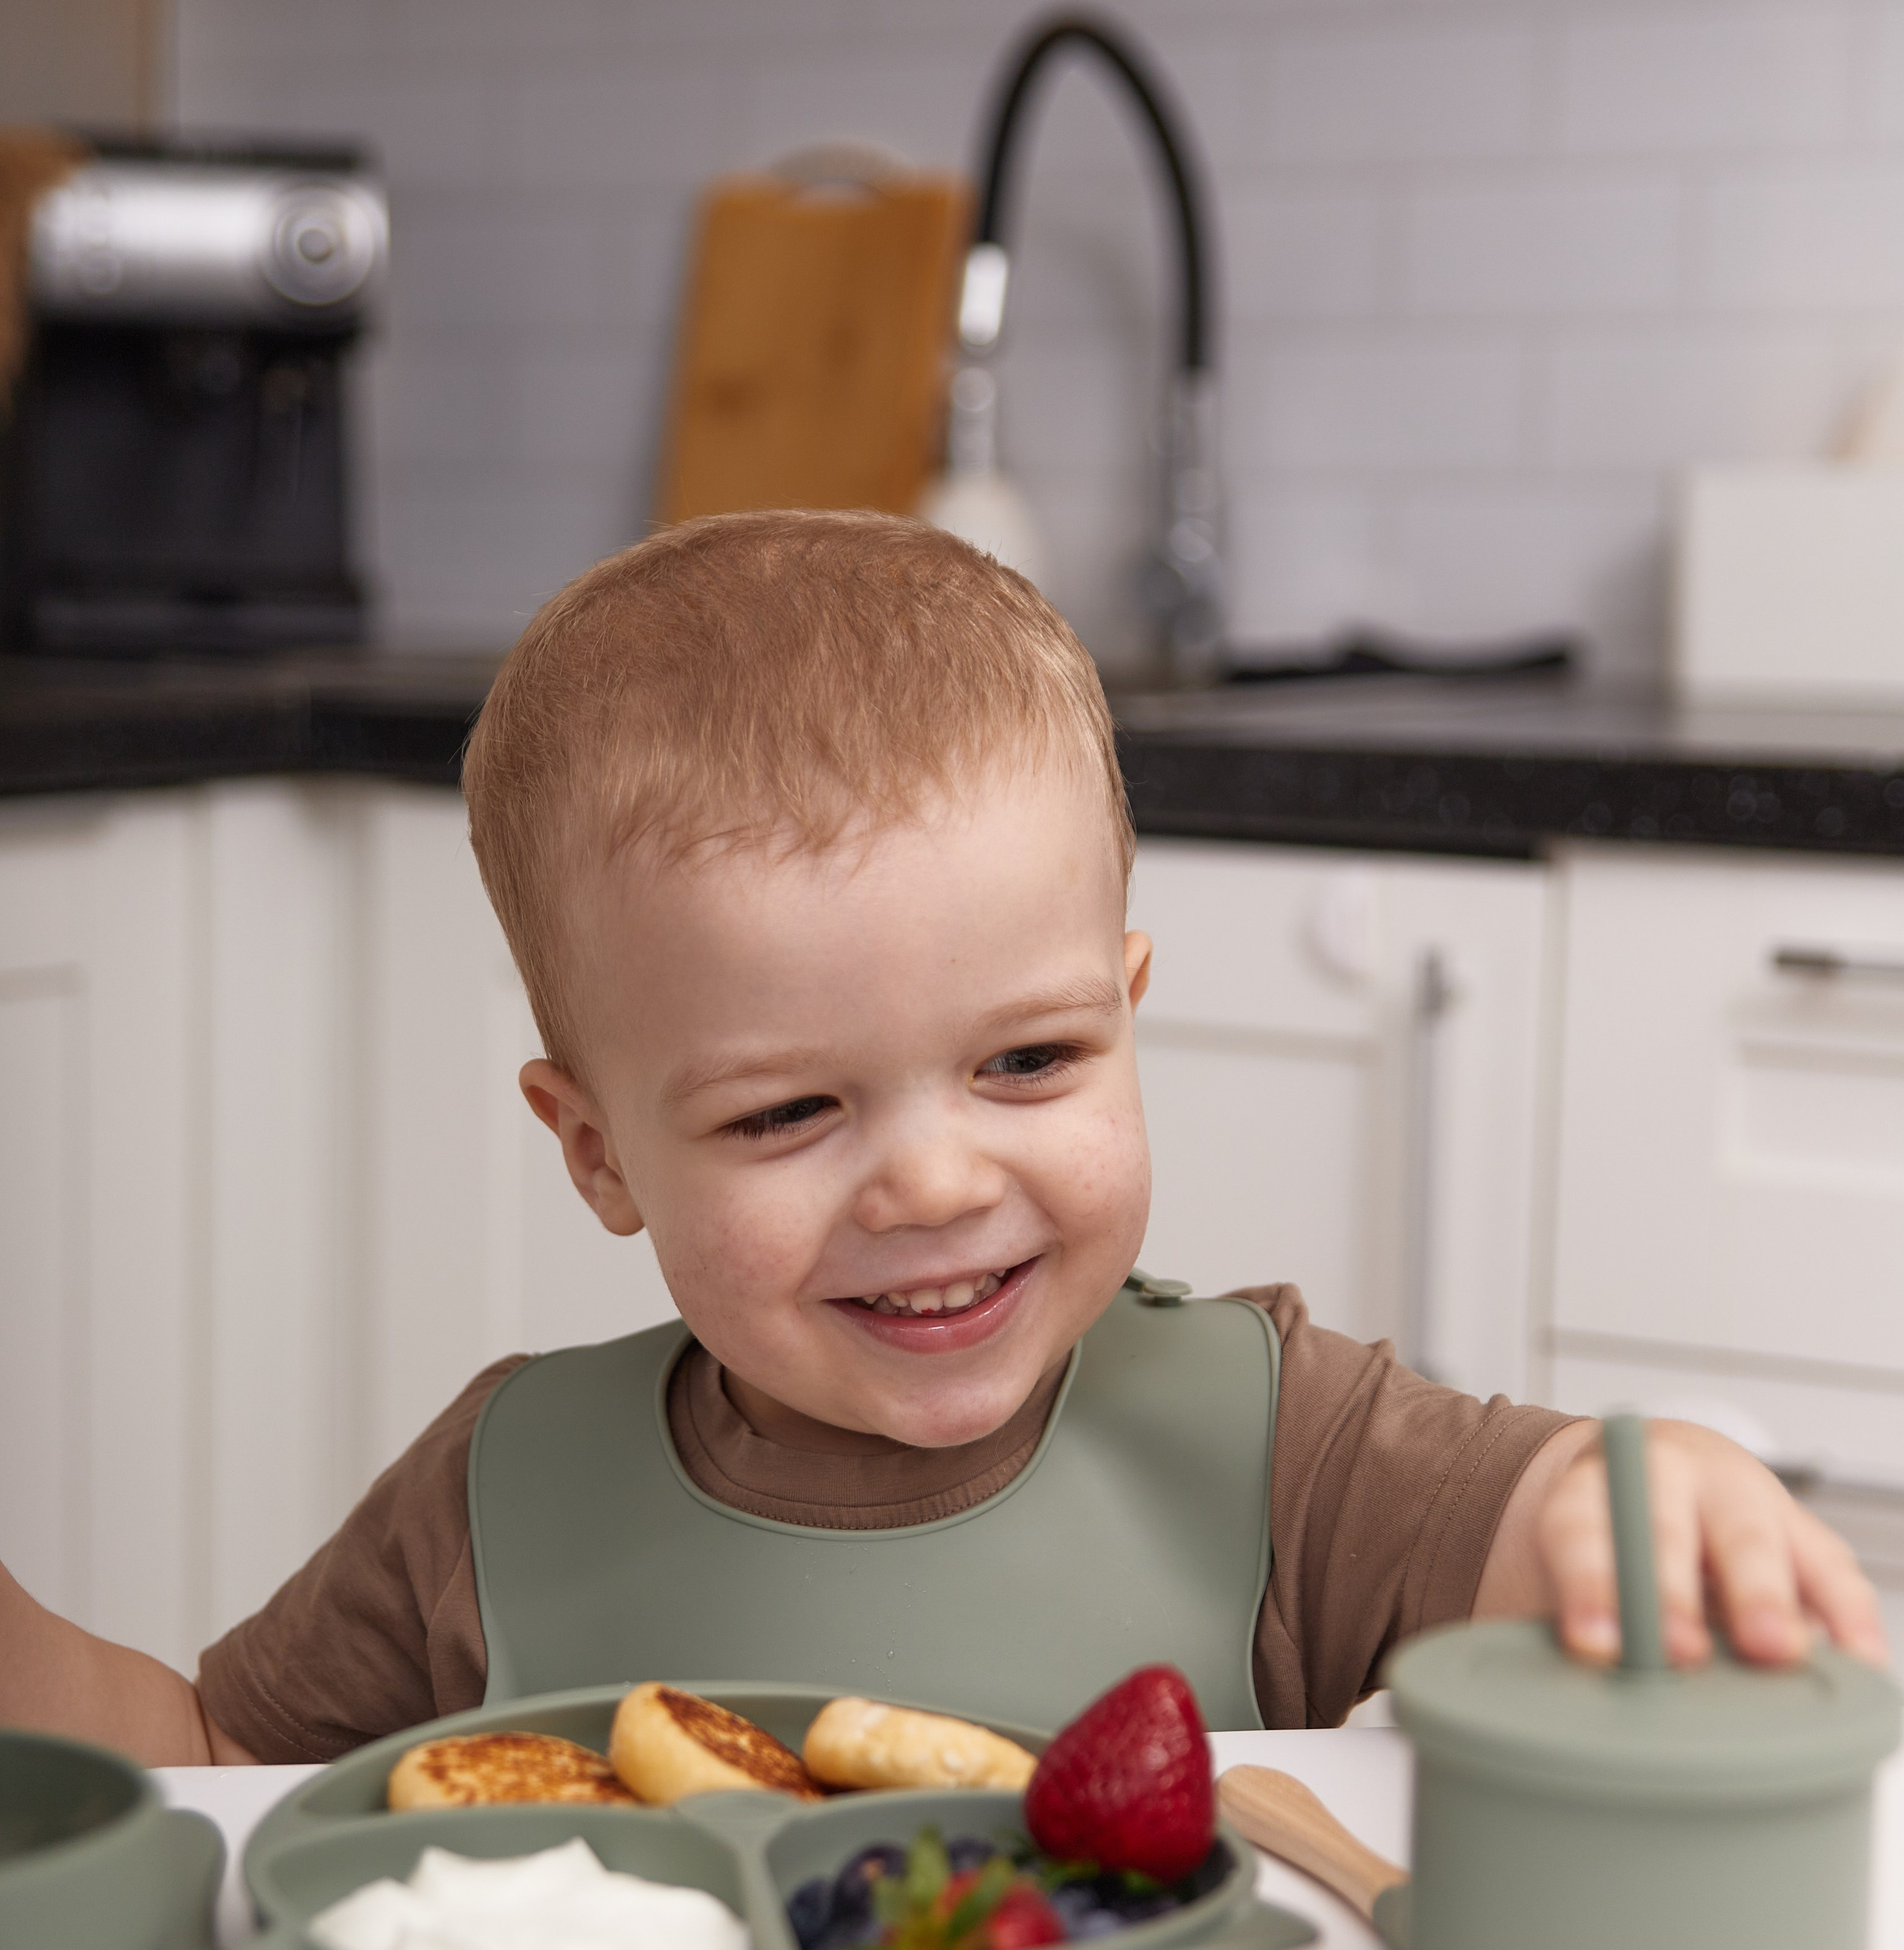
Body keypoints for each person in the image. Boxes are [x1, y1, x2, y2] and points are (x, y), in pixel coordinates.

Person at [0, 512, 1886, 1766]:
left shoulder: (1276, 1443)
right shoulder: (496, 1496)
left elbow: (1537, 1519)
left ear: (1127, 1008)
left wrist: (1643, 1490)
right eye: (789, 1111)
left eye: (1028, 1063)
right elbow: (214, 1780)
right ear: (594, 1156)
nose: (929, 1183)